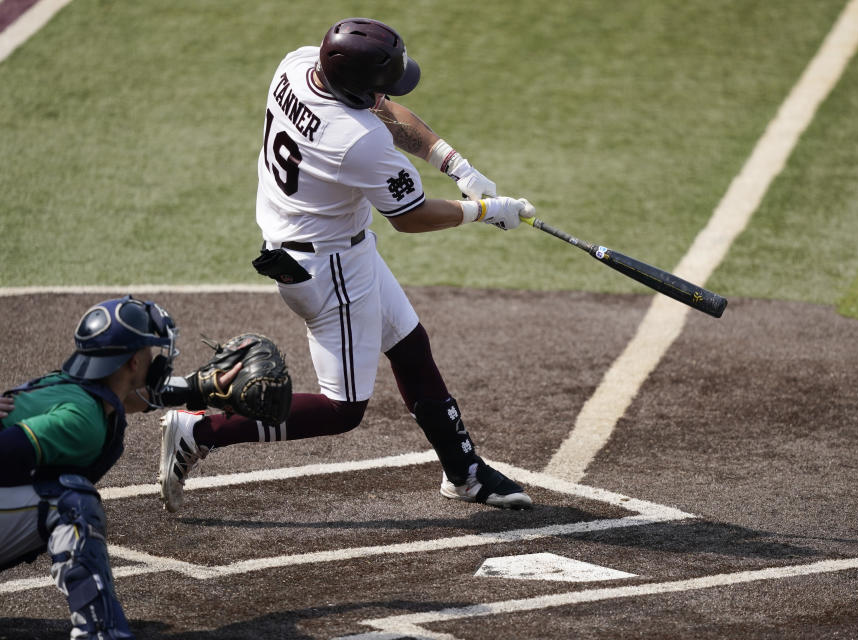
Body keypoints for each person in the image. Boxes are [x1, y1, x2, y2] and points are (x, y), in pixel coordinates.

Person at [158, 17, 535, 514]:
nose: (385, 96)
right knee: (343, 409)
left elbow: (383, 109)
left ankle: (464, 474)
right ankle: (200, 429)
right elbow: (412, 217)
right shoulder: (357, 142)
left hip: (316, 246)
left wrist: (455, 165)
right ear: (356, 87)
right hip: (329, 268)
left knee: (409, 345)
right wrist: (486, 211)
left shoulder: (296, 65)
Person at [0, 296, 236, 639]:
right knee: (71, 504)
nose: (157, 360)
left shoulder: (74, 390)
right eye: (151, 352)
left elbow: (127, 399)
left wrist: (200, 387)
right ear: (134, 361)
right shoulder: (81, 420)